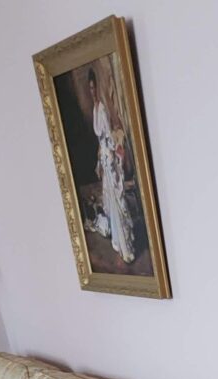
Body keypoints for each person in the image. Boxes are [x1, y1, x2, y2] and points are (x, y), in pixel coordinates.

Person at [89, 66, 135, 263]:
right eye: (90, 89)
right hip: (104, 157)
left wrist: (114, 153)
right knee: (110, 201)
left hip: (109, 157)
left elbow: (107, 137)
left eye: (94, 88)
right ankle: (117, 241)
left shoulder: (102, 109)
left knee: (117, 200)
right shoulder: (94, 108)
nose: (93, 91)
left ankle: (126, 245)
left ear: (98, 87)